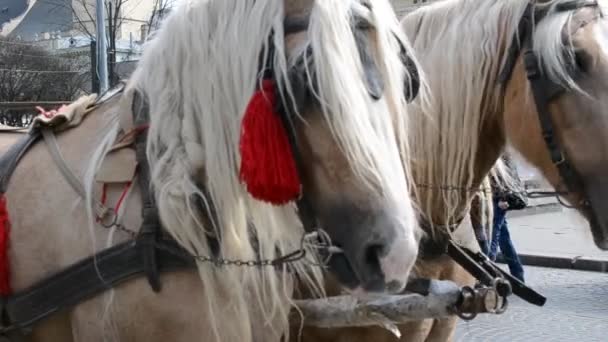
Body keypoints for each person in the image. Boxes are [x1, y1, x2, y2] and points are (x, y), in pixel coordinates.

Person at [488, 154, 527, 283]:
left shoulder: (501, 151)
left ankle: (486, 274)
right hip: (492, 198)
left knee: (492, 238)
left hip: (497, 201)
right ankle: (518, 275)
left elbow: (506, 176)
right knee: (503, 239)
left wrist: (503, 199)